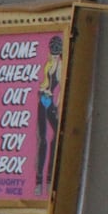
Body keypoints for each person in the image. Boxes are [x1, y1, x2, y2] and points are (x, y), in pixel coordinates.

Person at [36, 35, 63, 195]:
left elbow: (60, 89)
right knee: (42, 139)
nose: (53, 55)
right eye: (52, 52)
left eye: (56, 53)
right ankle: (39, 180)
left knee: (55, 138)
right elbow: (44, 84)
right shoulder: (49, 64)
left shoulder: (60, 66)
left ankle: (49, 177)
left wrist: (58, 106)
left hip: (51, 102)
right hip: (43, 100)